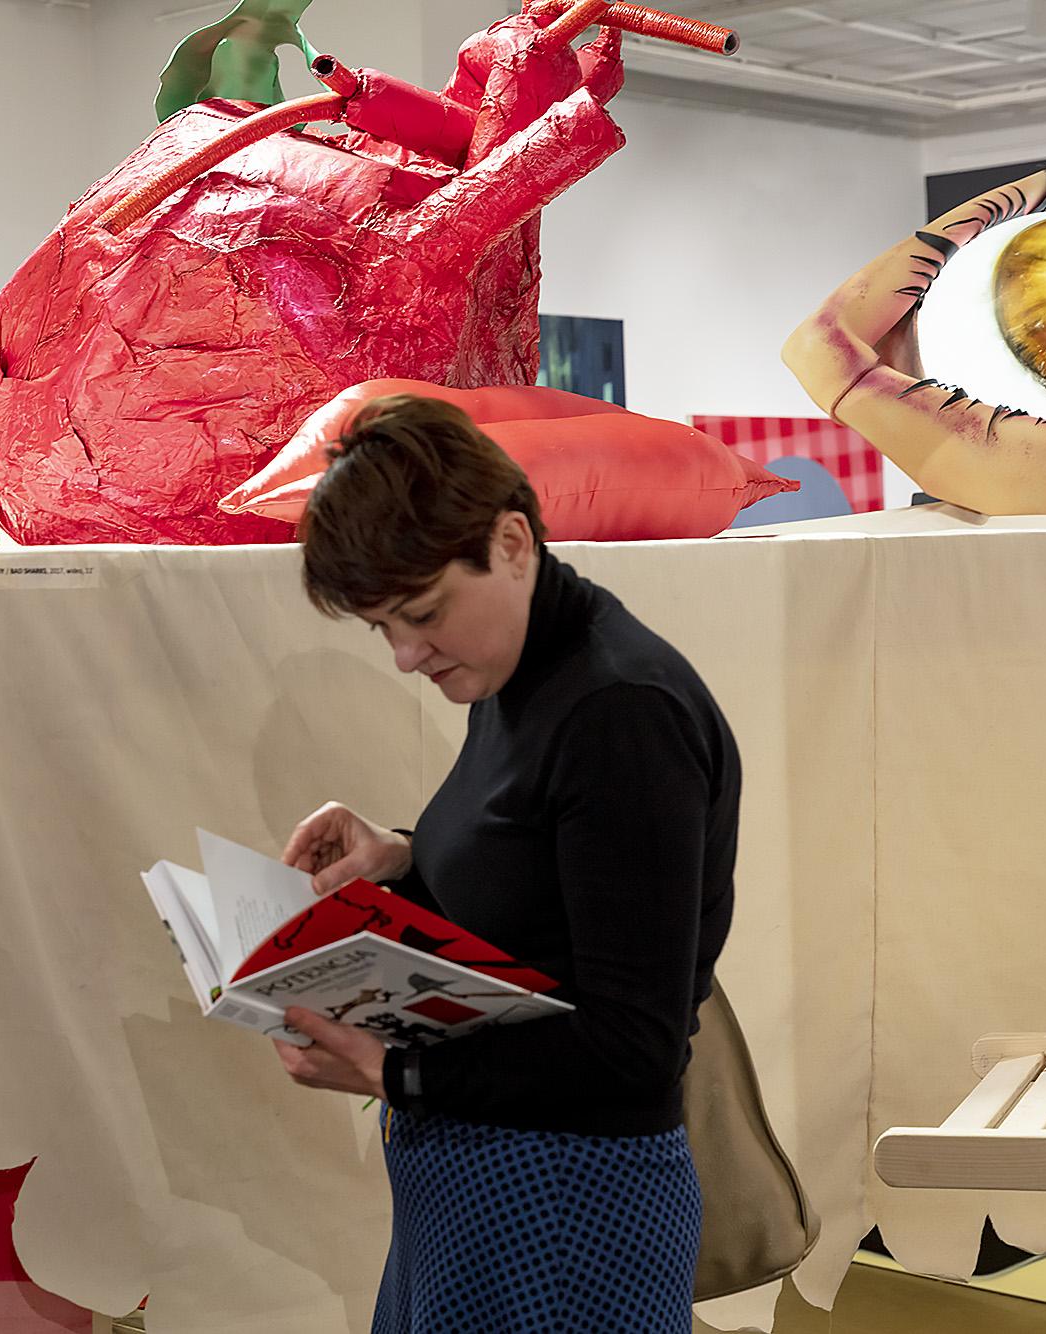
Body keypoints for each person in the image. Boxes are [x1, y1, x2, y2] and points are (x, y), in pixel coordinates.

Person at [275, 395, 741, 1334]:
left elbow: (631, 1047)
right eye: (383, 628)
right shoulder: (517, 667)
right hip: (484, 1185)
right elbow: (543, 879)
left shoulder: (620, 713)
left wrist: (395, 1075)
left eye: (422, 615)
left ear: (513, 541)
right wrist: (401, 857)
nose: (406, 655)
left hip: (566, 1205)